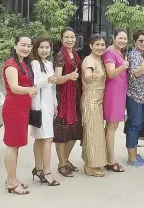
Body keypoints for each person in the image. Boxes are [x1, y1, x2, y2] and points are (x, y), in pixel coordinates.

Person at [3, 35, 37, 195]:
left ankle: (12, 178)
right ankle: (11, 182)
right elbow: (14, 87)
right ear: (15, 45)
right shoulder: (11, 64)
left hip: (22, 110)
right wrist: (29, 90)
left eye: (29, 46)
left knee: (16, 146)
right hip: (13, 110)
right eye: (23, 45)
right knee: (13, 146)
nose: (26, 48)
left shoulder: (24, 63)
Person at [53, 27, 82, 178]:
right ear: (62, 38)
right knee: (62, 132)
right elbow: (57, 79)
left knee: (74, 132)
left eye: (72, 37)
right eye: (66, 37)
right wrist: (69, 76)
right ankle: (61, 164)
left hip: (74, 97)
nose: (70, 40)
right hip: (63, 99)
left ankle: (65, 160)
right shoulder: (60, 56)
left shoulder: (75, 54)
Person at [31, 37, 60, 186]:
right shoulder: (35, 64)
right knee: (47, 138)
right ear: (36, 49)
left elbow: (53, 86)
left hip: (49, 105)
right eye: (41, 47)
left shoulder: (49, 63)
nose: (44, 50)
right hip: (40, 106)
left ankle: (38, 168)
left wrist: (55, 104)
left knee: (41, 138)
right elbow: (35, 84)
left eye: (47, 47)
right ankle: (47, 172)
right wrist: (47, 80)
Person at [102, 29, 129, 173]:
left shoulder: (119, 52)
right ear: (113, 38)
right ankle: (110, 160)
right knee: (112, 127)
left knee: (112, 127)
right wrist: (122, 66)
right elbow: (111, 73)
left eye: (125, 39)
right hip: (112, 93)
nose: (123, 41)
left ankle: (107, 157)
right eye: (120, 38)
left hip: (119, 93)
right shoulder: (110, 52)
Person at [81, 34, 107, 177]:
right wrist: (91, 77)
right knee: (92, 133)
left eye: (102, 45)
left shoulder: (100, 60)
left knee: (96, 133)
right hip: (91, 100)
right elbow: (87, 75)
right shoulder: (89, 60)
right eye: (97, 44)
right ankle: (90, 166)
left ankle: (92, 162)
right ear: (91, 46)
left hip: (98, 101)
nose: (100, 47)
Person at [126, 30, 144, 168]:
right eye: (140, 41)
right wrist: (141, 68)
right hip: (135, 96)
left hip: (140, 96)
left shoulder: (141, 55)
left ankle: (134, 154)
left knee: (137, 124)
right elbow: (134, 74)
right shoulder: (135, 55)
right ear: (135, 42)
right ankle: (131, 158)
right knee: (134, 126)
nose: (143, 43)